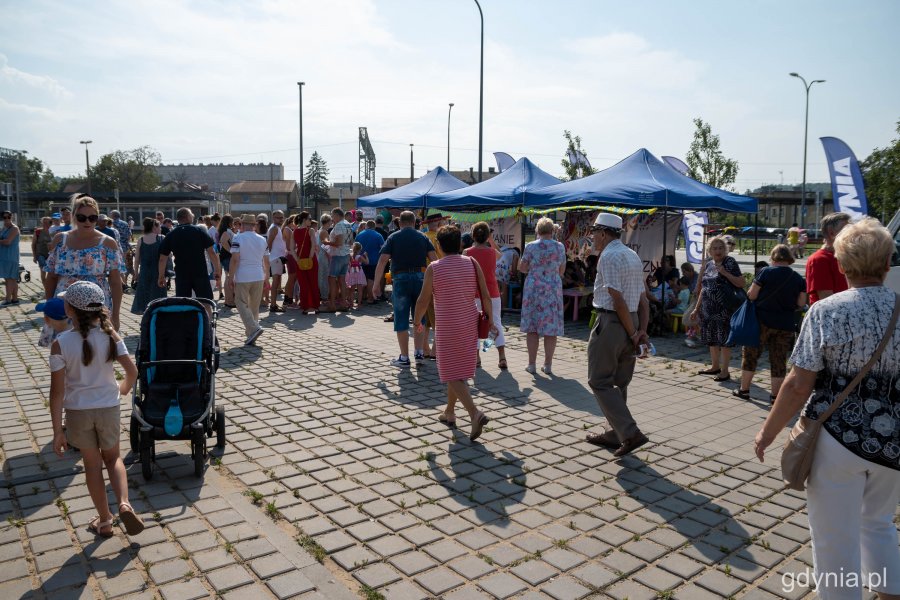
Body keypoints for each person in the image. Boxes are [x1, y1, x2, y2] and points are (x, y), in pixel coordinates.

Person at [754, 218, 900, 600]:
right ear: (887, 263)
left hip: (835, 437)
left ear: (841, 264)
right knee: (880, 522)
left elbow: (798, 383)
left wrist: (767, 432)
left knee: (834, 536)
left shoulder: (826, 311)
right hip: (894, 441)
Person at [49, 281, 144, 538]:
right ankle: (124, 503)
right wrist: (123, 389)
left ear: (70, 310)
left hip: (78, 413)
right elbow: (132, 372)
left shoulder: (60, 344)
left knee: (92, 466)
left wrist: (58, 431)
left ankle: (104, 521)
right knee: (113, 458)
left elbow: (56, 393)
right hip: (108, 407)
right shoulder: (111, 336)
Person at [413, 225, 493, 441]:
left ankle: (475, 414)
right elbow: (485, 295)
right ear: (460, 244)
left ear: (438, 245)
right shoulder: (472, 262)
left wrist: (417, 321)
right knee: (457, 371)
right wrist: (491, 320)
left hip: (447, 326)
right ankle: (449, 412)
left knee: (450, 372)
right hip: (469, 323)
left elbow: (423, 300)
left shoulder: (434, 268)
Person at [583, 213, 650, 456]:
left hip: (612, 322)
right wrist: (641, 330)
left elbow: (616, 298)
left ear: (602, 233)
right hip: (630, 318)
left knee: (599, 380)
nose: (592, 238)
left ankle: (629, 432)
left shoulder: (608, 256)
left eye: (593, 233)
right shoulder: (631, 254)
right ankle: (616, 433)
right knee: (619, 382)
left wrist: (634, 333)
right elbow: (643, 300)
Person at [733, 244, 806, 402]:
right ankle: (775, 397)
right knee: (779, 359)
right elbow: (801, 303)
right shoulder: (798, 278)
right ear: (789, 259)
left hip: (761, 322)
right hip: (785, 324)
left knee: (751, 355)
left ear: (773, 257)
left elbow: (752, 295)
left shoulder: (765, 272)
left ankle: (744, 390)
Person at [44, 195, 125, 330]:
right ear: (74, 216)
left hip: (95, 307)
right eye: (82, 217)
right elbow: (51, 277)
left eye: (92, 218)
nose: (87, 222)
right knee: (64, 347)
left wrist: (115, 315)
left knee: (97, 347)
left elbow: (115, 282)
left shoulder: (108, 243)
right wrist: (49, 306)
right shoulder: (60, 240)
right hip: (65, 305)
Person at [373, 210, 437, 367]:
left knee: (401, 318)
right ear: (415, 222)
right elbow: (435, 260)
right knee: (419, 317)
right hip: (420, 280)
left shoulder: (393, 237)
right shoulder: (422, 237)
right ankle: (420, 353)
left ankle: (404, 357)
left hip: (400, 280)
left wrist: (376, 284)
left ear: (400, 223)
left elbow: (382, 261)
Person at [691, 236, 744, 381]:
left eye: (721, 248)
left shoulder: (729, 262)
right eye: (715, 248)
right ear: (710, 250)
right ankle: (715, 367)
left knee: (724, 340)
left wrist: (726, 274)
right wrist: (696, 308)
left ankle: (725, 371)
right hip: (708, 309)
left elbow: (741, 283)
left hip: (724, 308)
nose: (718, 250)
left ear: (725, 249)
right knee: (711, 339)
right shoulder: (709, 264)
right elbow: (704, 288)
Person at [518, 217, 566, 375]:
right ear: (552, 231)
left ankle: (531, 364)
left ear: (537, 231)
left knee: (532, 327)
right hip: (552, 289)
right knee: (550, 329)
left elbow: (523, 268)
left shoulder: (530, 246)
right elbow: (561, 271)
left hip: (534, 289)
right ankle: (548, 365)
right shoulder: (560, 247)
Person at [464, 222, 508, 369]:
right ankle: (502, 356)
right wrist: (491, 240)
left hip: (474, 293)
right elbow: (501, 255)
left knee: (473, 325)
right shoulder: (492, 252)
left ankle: (476, 358)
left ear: (473, 235)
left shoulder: (467, 252)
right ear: (487, 236)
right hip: (492, 292)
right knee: (496, 323)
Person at [156, 208, 221, 301]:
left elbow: (163, 258)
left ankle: (186, 315)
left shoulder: (171, 234)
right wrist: (217, 271)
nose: (193, 216)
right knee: (206, 301)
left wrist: (161, 276)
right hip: (200, 273)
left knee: (183, 302)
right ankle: (206, 316)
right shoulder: (199, 231)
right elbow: (212, 252)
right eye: (191, 214)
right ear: (187, 217)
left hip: (182, 274)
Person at [230, 214, 269, 345]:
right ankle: (252, 333)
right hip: (258, 275)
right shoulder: (262, 239)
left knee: (240, 303)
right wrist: (267, 276)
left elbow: (235, 259)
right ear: (254, 225)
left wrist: (230, 277)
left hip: (243, 275)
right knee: (254, 306)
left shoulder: (238, 237)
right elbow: (266, 260)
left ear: (242, 225)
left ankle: (254, 329)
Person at [806, 212, 851, 306]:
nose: (851, 234)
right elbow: (827, 301)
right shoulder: (819, 260)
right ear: (831, 233)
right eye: (846, 230)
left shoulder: (844, 256)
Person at [130, 218, 168, 314]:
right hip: (158, 272)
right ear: (154, 227)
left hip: (144, 272)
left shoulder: (141, 239)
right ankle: (157, 316)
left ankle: (146, 317)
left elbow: (137, 259)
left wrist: (135, 273)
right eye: (159, 226)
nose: (160, 228)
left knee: (144, 295)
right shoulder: (161, 238)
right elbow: (167, 256)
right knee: (158, 296)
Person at [291, 212, 320, 314]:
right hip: (310, 260)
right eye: (309, 219)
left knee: (303, 284)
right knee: (313, 282)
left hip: (300, 260)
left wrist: (298, 260)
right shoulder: (310, 230)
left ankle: (306, 307)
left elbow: (291, 249)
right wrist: (310, 258)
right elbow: (313, 245)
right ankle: (315, 307)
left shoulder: (295, 231)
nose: (310, 221)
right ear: (304, 219)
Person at [325, 208, 352, 311]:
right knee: (342, 280)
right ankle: (343, 303)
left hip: (338, 255)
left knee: (332, 279)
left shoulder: (339, 225)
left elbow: (339, 243)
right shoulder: (347, 224)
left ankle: (332, 304)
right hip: (345, 254)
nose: (332, 218)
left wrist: (326, 242)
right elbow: (351, 241)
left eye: (332, 215)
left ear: (337, 215)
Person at [356, 220, 384, 304]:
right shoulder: (378, 235)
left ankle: (361, 297)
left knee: (361, 279)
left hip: (361, 260)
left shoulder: (359, 235)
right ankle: (370, 298)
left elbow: (355, 247)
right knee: (371, 279)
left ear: (366, 226)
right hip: (374, 261)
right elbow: (383, 248)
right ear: (374, 226)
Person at [266, 210, 287, 312]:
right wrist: (270, 256)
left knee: (277, 282)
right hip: (275, 258)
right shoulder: (274, 228)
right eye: (279, 217)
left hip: (278, 257)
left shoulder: (277, 227)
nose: (281, 219)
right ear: (274, 218)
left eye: (282, 217)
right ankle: (273, 305)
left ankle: (274, 304)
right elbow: (269, 243)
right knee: (275, 282)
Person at [0, 210, 21, 305]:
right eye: (5, 217)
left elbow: (8, 242)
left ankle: (8, 299)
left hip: (11, 256)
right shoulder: (4, 228)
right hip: (4, 256)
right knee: (10, 278)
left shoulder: (14, 228)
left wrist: (1, 241)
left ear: (11, 217)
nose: (7, 219)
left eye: (9, 217)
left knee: (10, 278)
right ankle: (15, 299)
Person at [217, 215, 236, 308]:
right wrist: (232, 251)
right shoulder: (226, 231)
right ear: (229, 222)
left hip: (226, 256)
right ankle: (229, 301)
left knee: (228, 278)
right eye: (232, 221)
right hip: (228, 257)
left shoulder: (224, 230)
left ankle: (228, 300)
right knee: (229, 278)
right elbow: (223, 242)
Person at [496, 244, 520, 310]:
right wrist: (516, 278)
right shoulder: (516, 254)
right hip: (502, 267)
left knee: (497, 289)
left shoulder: (506, 249)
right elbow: (514, 270)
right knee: (504, 288)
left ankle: (497, 307)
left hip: (495, 266)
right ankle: (505, 308)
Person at [346, 242, 368, 308]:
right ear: (360, 249)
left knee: (352, 290)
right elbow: (367, 262)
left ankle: (351, 304)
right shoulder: (359, 257)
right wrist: (366, 256)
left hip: (352, 272)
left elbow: (349, 264)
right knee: (360, 290)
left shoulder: (350, 255)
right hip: (359, 272)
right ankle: (359, 304)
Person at [32, 216, 53, 285]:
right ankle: (45, 289)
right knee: (43, 271)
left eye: (48, 222)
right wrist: (34, 256)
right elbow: (33, 244)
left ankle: (49, 287)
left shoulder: (54, 232)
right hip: (40, 254)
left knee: (51, 273)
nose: (46, 224)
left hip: (52, 255)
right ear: (42, 223)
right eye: (44, 222)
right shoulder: (38, 232)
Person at [317, 214, 332, 307]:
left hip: (321, 255)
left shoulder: (321, 230)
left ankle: (322, 295)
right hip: (323, 256)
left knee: (321, 276)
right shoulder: (324, 231)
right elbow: (325, 245)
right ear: (328, 221)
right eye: (330, 221)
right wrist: (330, 256)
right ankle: (324, 296)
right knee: (324, 277)